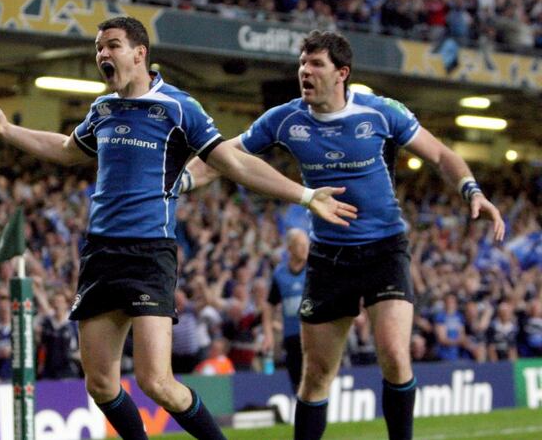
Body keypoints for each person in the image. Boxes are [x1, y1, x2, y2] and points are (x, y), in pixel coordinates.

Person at [0, 17, 356, 440]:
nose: (102, 54)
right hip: (100, 254)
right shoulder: (102, 109)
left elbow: (235, 163)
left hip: (149, 252)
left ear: (139, 54)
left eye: (112, 46)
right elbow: (66, 149)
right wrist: (6, 130)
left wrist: (304, 195)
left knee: (156, 381)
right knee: (99, 383)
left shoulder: (178, 107)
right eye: (99, 48)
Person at [183, 30, 505, 440]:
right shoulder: (285, 118)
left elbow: (441, 154)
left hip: (385, 248)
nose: (305, 71)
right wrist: (178, 183)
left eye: (316, 64)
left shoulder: (381, 112)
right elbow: (222, 158)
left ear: (342, 74)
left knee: (392, 353)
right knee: (316, 375)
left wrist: (472, 190)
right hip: (329, 256)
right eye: (302, 63)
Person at [262, 228, 309, 393]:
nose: (305, 249)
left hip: (313, 335)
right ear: (289, 248)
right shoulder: (280, 274)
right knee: (297, 383)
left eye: (306, 244)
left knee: (314, 379)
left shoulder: (314, 270)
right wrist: (268, 334)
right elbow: (269, 305)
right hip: (291, 337)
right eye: (300, 245)